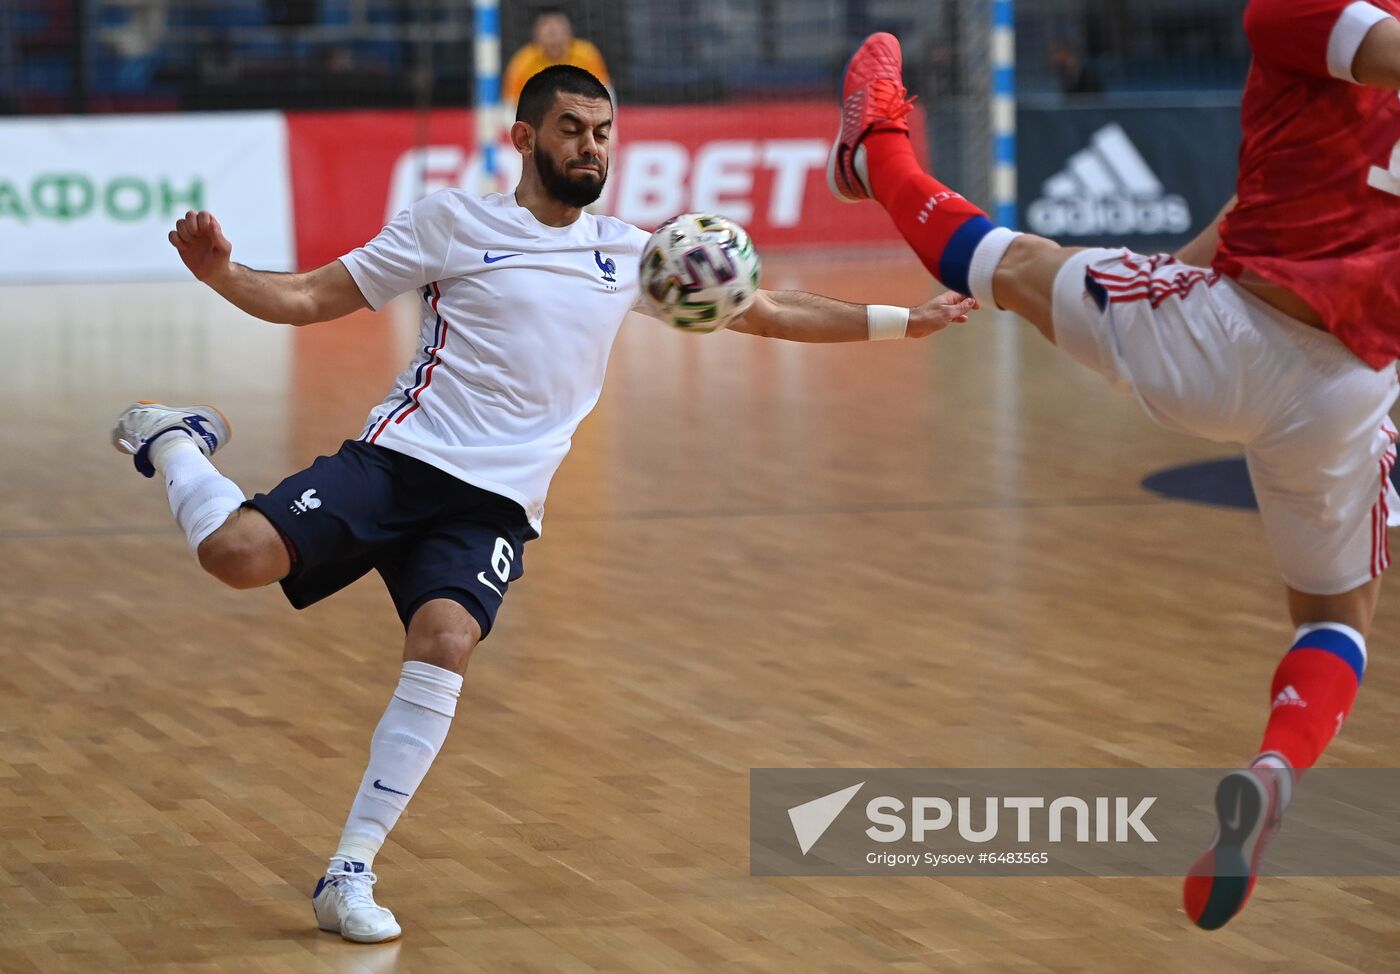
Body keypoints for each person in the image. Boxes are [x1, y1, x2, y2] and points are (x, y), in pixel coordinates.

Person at [110, 64, 974, 945]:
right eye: (570, 129)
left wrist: (904, 320)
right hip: (400, 462)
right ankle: (173, 437)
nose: (589, 146)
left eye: (601, 132)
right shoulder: (451, 221)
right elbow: (306, 298)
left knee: (446, 640)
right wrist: (222, 273)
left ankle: (349, 870)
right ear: (524, 139)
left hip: (494, 507)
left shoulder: (633, 256)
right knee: (233, 558)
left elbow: (766, 309)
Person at [826, 6, 1400, 932]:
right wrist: (1164, 288)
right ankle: (1276, 769)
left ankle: (875, 149)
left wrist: (1161, 329)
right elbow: (1248, 209)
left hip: (1241, 337)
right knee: (1340, 616)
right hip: (1350, 388)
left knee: (1011, 267)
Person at [503, 7, 611, 107]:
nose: (554, 39)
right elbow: (511, 105)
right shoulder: (522, 63)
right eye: (549, 33)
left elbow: (605, 92)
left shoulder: (587, 56)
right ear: (536, 35)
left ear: (570, 32)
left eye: (559, 31)